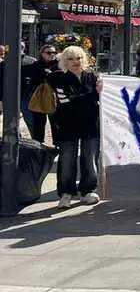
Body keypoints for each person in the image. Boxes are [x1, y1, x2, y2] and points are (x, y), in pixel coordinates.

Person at [47, 45, 102, 209]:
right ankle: (66, 193)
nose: (75, 62)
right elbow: (68, 102)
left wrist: (96, 95)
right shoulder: (60, 80)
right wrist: (93, 95)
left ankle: (88, 190)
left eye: (78, 58)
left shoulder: (92, 76)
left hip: (91, 123)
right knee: (67, 159)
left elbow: (96, 100)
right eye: (70, 59)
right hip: (67, 125)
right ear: (64, 61)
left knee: (90, 157)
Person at [25, 44, 60, 143]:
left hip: (55, 98)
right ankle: (38, 146)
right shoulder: (35, 65)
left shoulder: (59, 65)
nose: (52, 54)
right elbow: (30, 81)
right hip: (39, 97)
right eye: (49, 53)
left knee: (56, 123)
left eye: (54, 52)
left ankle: (57, 146)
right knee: (39, 124)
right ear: (42, 54)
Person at [19, 42, 37, 131]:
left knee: (29, 119)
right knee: (12, 119)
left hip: (25, 94)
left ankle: (35, 139)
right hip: (11, 94)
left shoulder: (32, 61)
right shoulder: (7, 60)